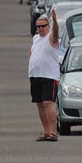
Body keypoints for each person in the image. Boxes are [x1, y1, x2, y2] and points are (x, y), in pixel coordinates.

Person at [28, 9, 60, 142]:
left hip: (49, 75)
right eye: (38, 26)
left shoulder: (51, 37)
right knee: (40, 104)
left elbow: (56, 32)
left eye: (43, 26)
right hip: (35, 75)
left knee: (48, 102)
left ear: (48, 26)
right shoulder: (35, 38)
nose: (40, 28)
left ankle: (53, 131)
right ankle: (46, 131)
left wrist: (55, 21)